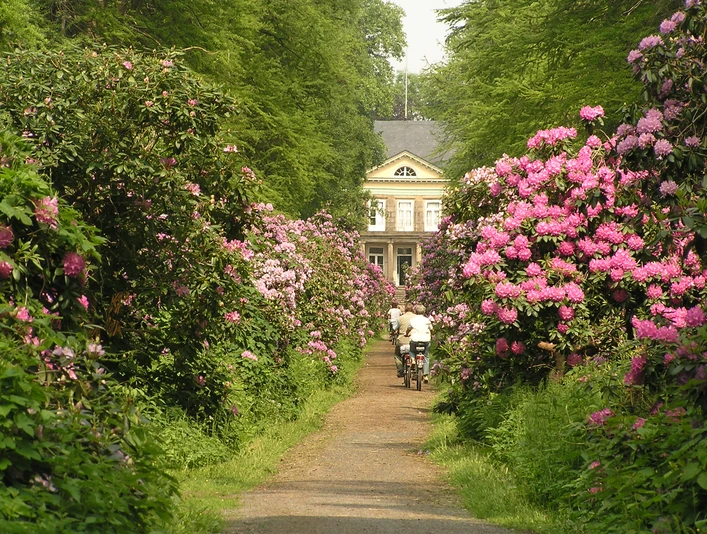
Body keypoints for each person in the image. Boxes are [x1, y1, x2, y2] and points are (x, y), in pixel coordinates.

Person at [405, 304, 433, 383]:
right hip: (426, 341)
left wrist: (407, 334)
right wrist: (432, 334)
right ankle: (426, 375)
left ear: (415, 311)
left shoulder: (412, 320)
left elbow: (408, 329)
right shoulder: (427, 320)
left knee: (411, 351)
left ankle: (413, 360)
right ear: (424, 312)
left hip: (415, 340)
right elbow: (431, 329)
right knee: (426, 356)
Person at [394, 303, 415, 378]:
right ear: (413, 309)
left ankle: (400, 370)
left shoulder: (400, 318)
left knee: (397, 355)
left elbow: (394, 328)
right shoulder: (416, 317)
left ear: (405, 310)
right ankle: (416, 370)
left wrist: (393, 332)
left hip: (402, 341)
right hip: (414, 340)